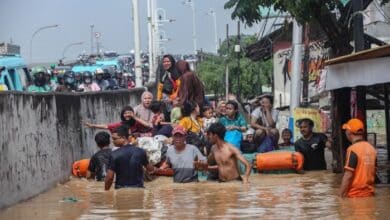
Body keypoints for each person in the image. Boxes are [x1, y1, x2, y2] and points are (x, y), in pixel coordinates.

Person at [105, 125, 154, 190]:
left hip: (121, 190)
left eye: (114, 139)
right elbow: (150, 169)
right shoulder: (141, 152)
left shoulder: (114, 154)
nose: (113, 141)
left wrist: (106, 191)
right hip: (138, 189)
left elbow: (110, 177)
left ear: (123, 138)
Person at [339, 118, 377, 198]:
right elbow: (374, 172)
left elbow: (348, 175)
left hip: (355, 195)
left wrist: (340, 196)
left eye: (346, 130)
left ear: (349, 132)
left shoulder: (352, 149)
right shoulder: (372, 149)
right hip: (369, 194)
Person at [84, 105, 151, 137]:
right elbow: (106, 126)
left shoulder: (137, 122)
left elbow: (148, 125)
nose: (127, 115)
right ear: (122, 115)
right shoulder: (120, 124)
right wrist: (92, 125)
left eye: (129, 113)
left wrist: (134, 117)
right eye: (125, 113)